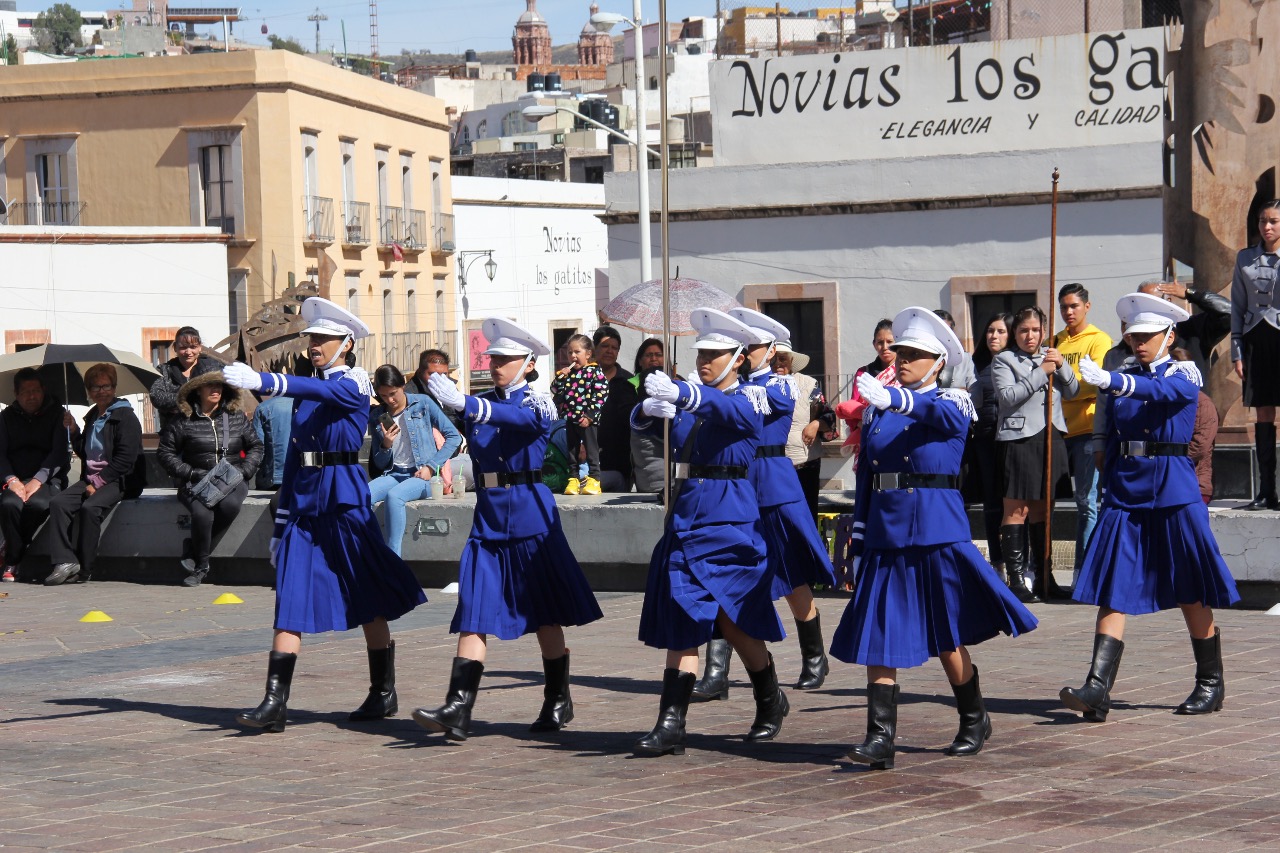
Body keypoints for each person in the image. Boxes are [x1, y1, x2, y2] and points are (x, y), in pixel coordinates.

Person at [831, 307, 1038, 771]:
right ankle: (880, 736)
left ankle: (973, 715)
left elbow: (940, 417)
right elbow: (867, 480)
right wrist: (859, 540)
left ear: (939, 362)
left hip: (935, 530)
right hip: (886, 531)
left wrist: (895, 399)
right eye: (900, 352)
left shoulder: (953, 401)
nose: (903, 360)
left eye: (914, 354)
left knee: (946, 633)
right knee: (879, 629)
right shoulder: (880, 412)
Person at [222, 298, 427, 732]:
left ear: (346, 344)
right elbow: (295, 459)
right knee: (289, 596)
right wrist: (280, 525)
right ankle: (274, 702)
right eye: (312, 337)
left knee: (368, 595)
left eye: (323, 338)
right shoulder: (306, 390)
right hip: (305, 505)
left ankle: (383, 691)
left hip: (344, 501)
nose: (314, 344)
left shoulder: (352, 384)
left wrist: (264, 380)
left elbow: (324, 392)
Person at [412, 318, 603, 741]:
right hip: (490, 519)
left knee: (545, 613)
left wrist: (466, 404)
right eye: (493, 358)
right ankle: (458, 706)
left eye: (506, 359)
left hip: (531, 518)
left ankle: (557, 698)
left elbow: (519, 420)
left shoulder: (538, 403)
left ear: (529, 364)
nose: (496, 365)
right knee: (474, 609)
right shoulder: (478, 404)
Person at [1063, 293, 1240, 722]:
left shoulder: (1183, 372)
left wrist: (1114, 382)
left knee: (1190, 586)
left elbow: (1162, 392)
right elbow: (1112, 426)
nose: (1139, 342)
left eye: (1148, 335)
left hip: (1173, 489)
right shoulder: (1122, 377)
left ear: (1169, 336)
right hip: (1127, 489)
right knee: (1114, 586)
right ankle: (1097, 687)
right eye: (1134, 336)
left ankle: (1210, 683)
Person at [630, 308, 789, 757]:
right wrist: (647, 410)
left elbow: (730, 411)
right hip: (686, 519)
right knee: (683, 618)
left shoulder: (751, 397)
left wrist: (683, 393)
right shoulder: (693, 399)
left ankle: (769, 698)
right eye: (701, 353)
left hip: (729, 522)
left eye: (714, 354)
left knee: (735, 623)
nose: (704, 361)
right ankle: (670, 723)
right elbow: (652, 426)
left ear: (738, 359)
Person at [689, 308, 836, 703]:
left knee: (790, 575)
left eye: (752, 346)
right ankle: (716, 671)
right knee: (722, 576)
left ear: (771, 351)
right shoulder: (728, 389)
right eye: (742, 346)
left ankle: (814, 657)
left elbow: (761, 403)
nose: (746, 352)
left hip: (771, 487)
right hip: (733, 489)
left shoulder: (779, 386)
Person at [992, 306, 1079, 602]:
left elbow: (1073, 391)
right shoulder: (1004, 360)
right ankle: (1017, 579)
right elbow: (1008, 397)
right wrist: (1042, 372)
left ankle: (1044, 577)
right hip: (1019, 438)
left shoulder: (1051, 355)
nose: (1030, 336)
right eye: (1023, 330)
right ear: (1014, 333)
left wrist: (1060, 364)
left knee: (1044, 510)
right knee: (1017, 509)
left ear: (1044, 331)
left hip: (1051, 435)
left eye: (1036, 330)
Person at [156, 371, 263, 587]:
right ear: (197, 390)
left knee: (229, 506)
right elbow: (165, 453)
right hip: (196, 480)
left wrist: (244, 471)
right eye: (210, 385)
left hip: (232, 480)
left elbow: (256, 446)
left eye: (219, 385)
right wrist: (191, 472)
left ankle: (194, 550)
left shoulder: (235, 416)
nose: (216, 390)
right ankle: (201, 567)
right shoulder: (182, 420)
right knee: (202, 513)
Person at [44, 364, 145, 586]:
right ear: (89, 391)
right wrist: (74, 431)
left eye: (106, 386)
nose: (101, 391)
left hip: (120, 479)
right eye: (95, 387)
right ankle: (65, 561)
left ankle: (84, 568)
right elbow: (85, 451)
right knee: (59, 503)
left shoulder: (125, 417)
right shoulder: (92, 416)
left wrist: (98, 483)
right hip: (92, 477)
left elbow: (126, 459)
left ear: (114, 388)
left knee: (90, 508)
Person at [1051, 283, 1113, 582]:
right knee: (1052, 502)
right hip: (1058, 431)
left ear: (1087, 306)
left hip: (1088, 430)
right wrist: (1074, 387)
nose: (1068, 312)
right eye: (1064, 306)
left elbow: (1095, 382)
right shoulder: (1054, 341)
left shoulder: (1099, 340)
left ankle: (1083, 572)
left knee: (1087, 502)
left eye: (1074, 305)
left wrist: (1068, 387)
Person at [367, 364, 462, 555]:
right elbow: (379, 464)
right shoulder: (378, 416)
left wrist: (431, 466)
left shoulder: (422, 403)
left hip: (423, 476)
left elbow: (454, 437)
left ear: (402, 385)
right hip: (394, 474)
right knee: (362, 495)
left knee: (395, 497)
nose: (390, 400)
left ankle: (393, 559)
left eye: (393, 393)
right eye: (383, 396)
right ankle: (372, 552)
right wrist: (386, 445)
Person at [1230, 199, 1280, 510]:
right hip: (1255, 340)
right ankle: (1266, 491)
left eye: (1273, 221)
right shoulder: (1245, 257)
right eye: (1263, 221)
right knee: (1263, 414)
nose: (1267, 227)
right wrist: (1237, 351)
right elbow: (1236, 305)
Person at [0, 369, 70, 583]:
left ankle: (12, 553)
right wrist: (12, 480)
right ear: (16, 394)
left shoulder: (58, 414)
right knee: (9, 505)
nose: (32, 396)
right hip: (16, 478)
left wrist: (38, 480)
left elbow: (59, 453)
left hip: (48, 478)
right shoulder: (6, 417)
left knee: (38, 504)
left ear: (43, 390)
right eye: (25, 392)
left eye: (36, 391)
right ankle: (14, 557)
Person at [968, 312, 1013, 578]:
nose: (993, 336)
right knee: (991, 504)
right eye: (990, 330)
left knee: (1014, 502)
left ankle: (1019, 563)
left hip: (1013, 441)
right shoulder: (976, 364)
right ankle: (998, 563)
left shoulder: (1018, 362)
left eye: (1000, 331)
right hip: (984, 441)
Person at [772, 341, 835, 523]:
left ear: (791, 361)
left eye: (783, 359)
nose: (778, 364)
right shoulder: (758, 386)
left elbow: (829, 417)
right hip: (772, 464)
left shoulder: (808, 384)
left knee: (805, 517)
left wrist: (815, 424)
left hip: (804, 463)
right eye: (773, 359)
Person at [550, 334, 608, 496]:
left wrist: (590, 416)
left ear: (588, 354)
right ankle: (573, 478)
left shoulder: (594, 372)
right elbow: (555, 391)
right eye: (570, 352)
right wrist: (560, 378)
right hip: (570, 419)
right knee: (572, 450)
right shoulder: (568, 375)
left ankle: (594, 479)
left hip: (587, 420)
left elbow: (601, 394)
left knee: (591, 450)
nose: (573, 356)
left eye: (577, 352)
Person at [1138, 280, 1231, 380]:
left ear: (1168, 301)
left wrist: (1190, 293)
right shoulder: (1133, 337)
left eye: (1152, 301)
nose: (1147, 308)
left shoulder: (1192, 328)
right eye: (1142, 303)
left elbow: (1229, 312)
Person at [835, 319, 897, 460]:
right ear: (874, 344)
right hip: (867, 435)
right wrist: (862, 424)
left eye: (890, 342)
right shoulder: (864, 373)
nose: (885, 347)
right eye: (880, 342)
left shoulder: (905, 372)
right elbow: (854, 406)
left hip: (896, 436)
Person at [148, 326, 222, 434]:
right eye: (183, 347)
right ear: (175, 348)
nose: (188, 352)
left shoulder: (213, 369)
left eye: (193, 347)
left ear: (200, 347)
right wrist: (194, 397)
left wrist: (178, 402)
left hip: (206, 433)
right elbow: (157, 397)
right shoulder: (163, 370)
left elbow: (222, 396)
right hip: (174, 433)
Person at [592, 326, 636, 492]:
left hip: (621, 463)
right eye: (605, 346)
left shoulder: (628, 382)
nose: (609, 351)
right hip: (588, 460)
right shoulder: (582, 379)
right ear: (595, 348)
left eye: (614, 348)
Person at [629, 338, 667, 495]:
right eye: (648, 355)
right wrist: (643, 410)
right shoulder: (631, 384)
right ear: (640, 360)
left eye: (658, 354)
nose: (653, 359)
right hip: (650, 469)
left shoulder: (677, 382)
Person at [251, 394, 292, 491]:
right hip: (302, 476)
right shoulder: (307, 405)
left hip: (273, 476)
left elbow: (258, 448)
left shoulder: (264, 407)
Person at [932, 309, 977, 391]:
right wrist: (958, 391)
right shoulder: (920, 358)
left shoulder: (964, 358)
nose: (942, 335)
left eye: (946, 331)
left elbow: (975, 389)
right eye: (938, 330)